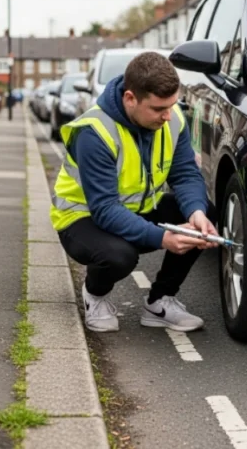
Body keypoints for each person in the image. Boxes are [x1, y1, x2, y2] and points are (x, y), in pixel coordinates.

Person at [49, 52, 218, 333]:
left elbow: (185, 173)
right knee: (120, 256)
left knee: (202, 218)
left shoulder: (172, 119)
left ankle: (159, 302)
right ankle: (95, 295)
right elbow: (104, 209)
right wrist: (164, 238)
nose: (167, 115)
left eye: (171, 105)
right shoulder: (94, 132)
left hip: (135, 209)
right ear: (130, 98)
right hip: (82, 218)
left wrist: (196, 213)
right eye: (157, 108)